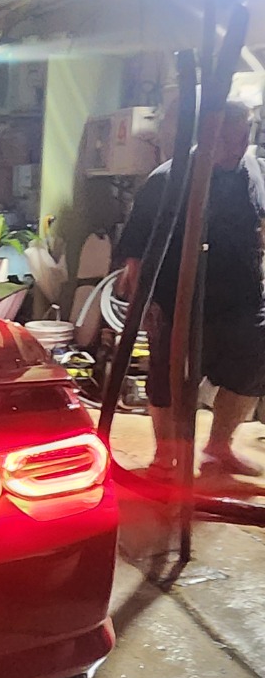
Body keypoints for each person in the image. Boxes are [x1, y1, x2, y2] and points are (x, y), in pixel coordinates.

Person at [116, 99, 265, 477]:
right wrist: (144, 301)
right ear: (208, 133)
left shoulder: (254, 171)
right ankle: (166, 456)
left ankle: (219, 447)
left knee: (252, 369)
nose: (238, 145)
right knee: (168, 379)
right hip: (177, 298)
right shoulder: (168, 178)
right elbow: (136, 250)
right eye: (229, 136)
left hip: (243, 298)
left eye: (244, 135)